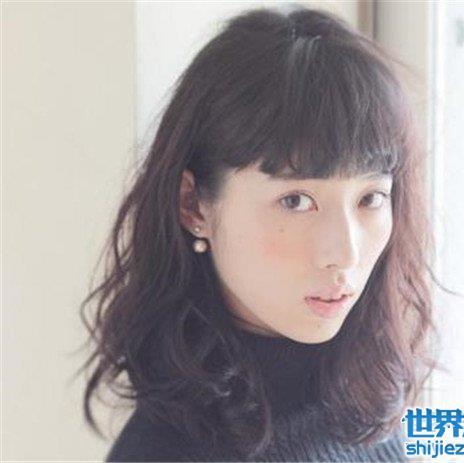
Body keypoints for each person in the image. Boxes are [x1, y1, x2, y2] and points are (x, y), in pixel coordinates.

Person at [77, 5, 443, 462]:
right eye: (296, 201)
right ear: (194, 205)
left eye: (370, 198)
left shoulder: (361, 398)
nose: (346, 253)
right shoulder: (167, 453)